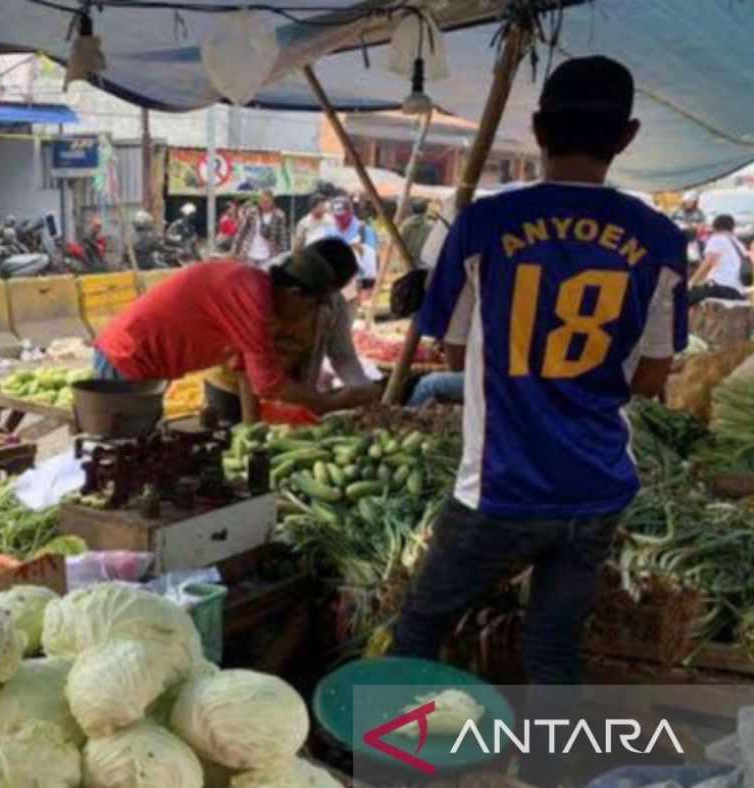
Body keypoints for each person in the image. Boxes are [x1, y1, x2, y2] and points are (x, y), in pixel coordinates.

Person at [390, 56, 687, 685]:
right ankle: (545, 779)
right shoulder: (659, 237)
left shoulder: (484, 224)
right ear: (627, 136)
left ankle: (394, 773)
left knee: (420, 625)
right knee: (554, 648)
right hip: (599, 485)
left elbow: (452, 352)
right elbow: (652, 379)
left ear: (536, 127)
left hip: (503, 486)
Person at [93, 239, 380, 416]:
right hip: (127, 357)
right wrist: (330, 403)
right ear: (296, 294)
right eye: (310, 306)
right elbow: (267, 383)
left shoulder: (259, 292)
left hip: (148, 367)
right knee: (121, 455)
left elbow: (247, 369)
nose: (304, 316)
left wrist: (251, 429)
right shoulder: (252, 296)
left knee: (136, 450)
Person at [204, 242, 377, 423]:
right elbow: (246, 370)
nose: (320, 304)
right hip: (233, 388)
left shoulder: (329, 301)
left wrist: (361, 391)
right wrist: (251, 423)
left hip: (281, 389)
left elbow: (343, 356)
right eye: (315, 299)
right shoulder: (264, 294)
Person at [688, 213, 748, 305]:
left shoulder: (717, 239)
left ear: (714, 226)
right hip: (739, 291)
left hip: (721, 288)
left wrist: (692, 282)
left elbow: (708, 264)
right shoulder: (738, 243)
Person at [233, 189, 288, 267]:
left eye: (267, 201)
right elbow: (241, 232)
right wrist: (235, 249)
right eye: (262, 201)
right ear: (259, 201)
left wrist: (284, 256)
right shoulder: (251, 212)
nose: (264, 204)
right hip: (250, 253)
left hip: (269, 255)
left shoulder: (279, 215)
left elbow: (283, 237)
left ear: (272, 201)